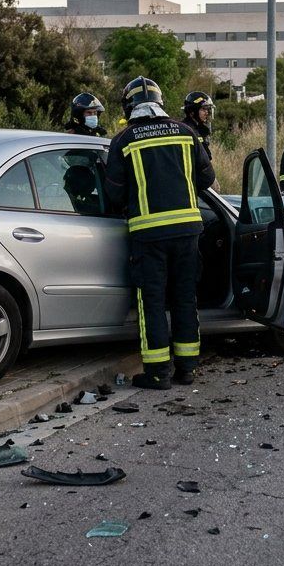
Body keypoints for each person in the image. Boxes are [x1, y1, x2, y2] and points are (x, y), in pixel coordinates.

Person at [104, 77, 215, 390]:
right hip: (188, 232)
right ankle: (187, 369)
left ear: (129, 106)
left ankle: (157, 374)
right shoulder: (186, 133)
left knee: (152, 302)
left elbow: (114, 194)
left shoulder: (124, 140)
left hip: (149, 234)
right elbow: (207, 179)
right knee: (184, 298)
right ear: (160, 102)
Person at [180, 91, 215, 160]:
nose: (207, 113)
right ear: (192, 111)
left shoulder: (199, 129)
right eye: (203, 109)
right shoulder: (187, 130)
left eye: (208, 109)